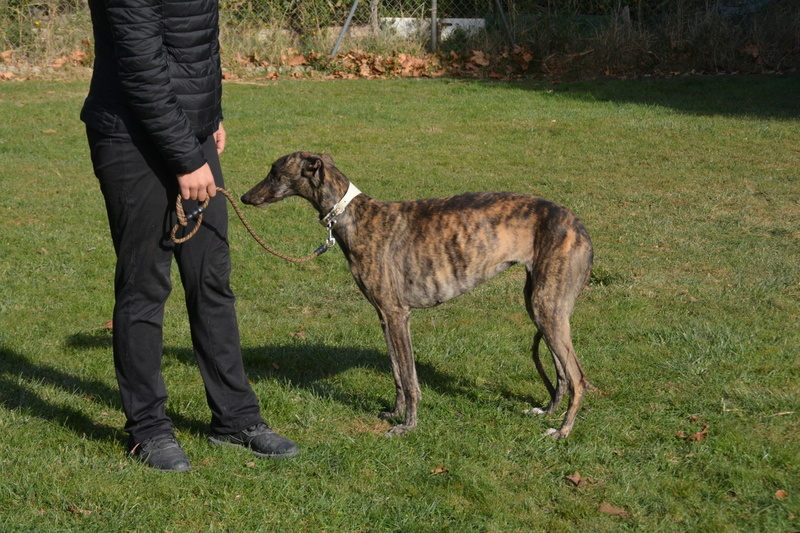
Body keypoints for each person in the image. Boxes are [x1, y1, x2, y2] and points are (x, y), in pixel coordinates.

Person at [81, 0, 298, 471]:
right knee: (145, 286)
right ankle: (148, 429)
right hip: (129, 135)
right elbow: (142, 67)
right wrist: (186, 158)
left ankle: (235, 419)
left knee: (211, 280)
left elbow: (196, 45)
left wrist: (210, 115)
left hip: (187, 131)